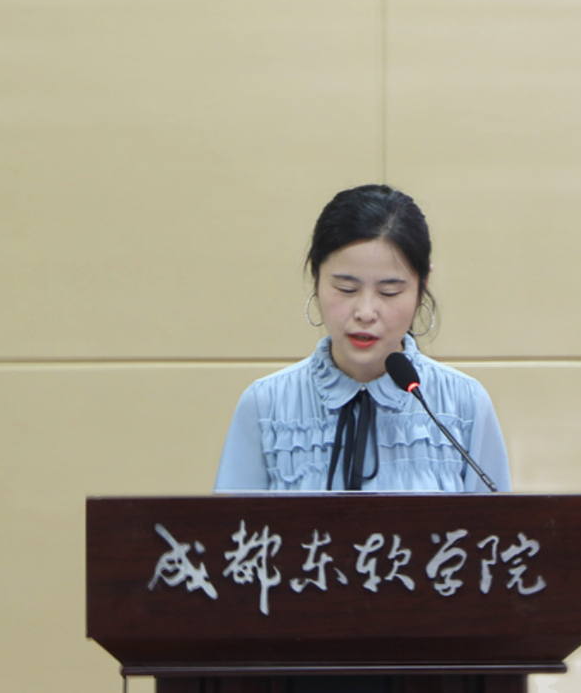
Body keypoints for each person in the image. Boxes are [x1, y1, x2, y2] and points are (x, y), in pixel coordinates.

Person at [214, 184, 511, 493]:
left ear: (422, 287)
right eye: (347, 289)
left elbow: (499, 522)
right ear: (316, 278)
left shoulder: (464, 405)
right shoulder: (265, 406)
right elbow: (234, 525)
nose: (366, 312)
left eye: (389, 292)